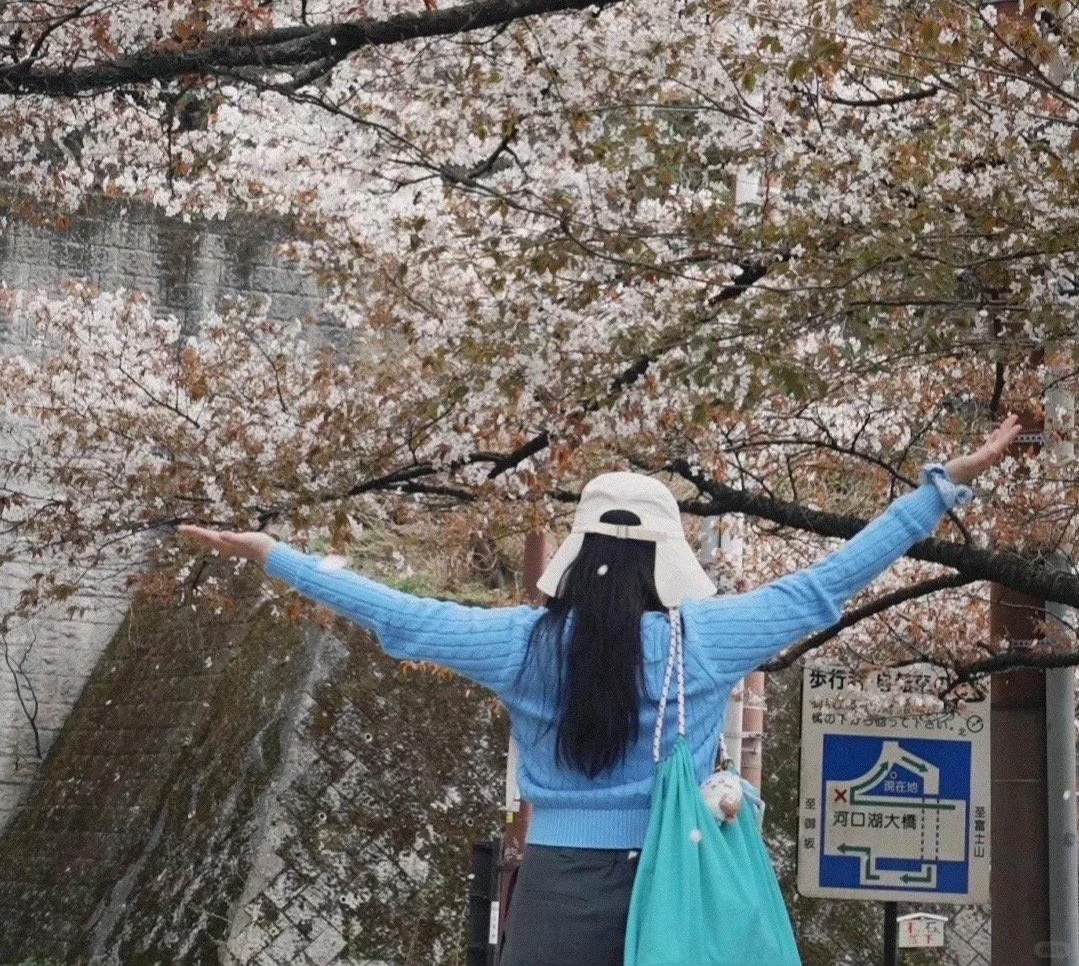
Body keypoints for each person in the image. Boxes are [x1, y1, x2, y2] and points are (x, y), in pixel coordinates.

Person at [180, 413, 1019, 966]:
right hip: (679, 875)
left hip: (553, 887)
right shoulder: (705, 638)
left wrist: (273, 555)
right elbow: (822, 585)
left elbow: (400, 616)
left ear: (578, 548)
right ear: (669, 553)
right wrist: (939, 490)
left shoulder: (522, 642)